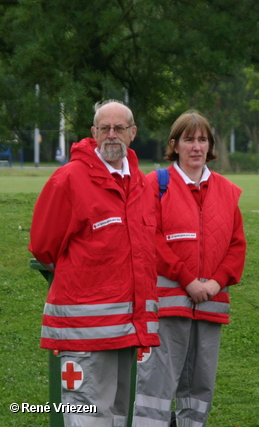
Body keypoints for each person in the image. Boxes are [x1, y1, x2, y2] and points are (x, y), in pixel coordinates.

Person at [29, 100, 160, 426]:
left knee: (117, 416)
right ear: (93, 133)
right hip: (84, 333)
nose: (112, 135)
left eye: (119, 128)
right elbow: (44, 247)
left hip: (127, 330)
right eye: (105, 128)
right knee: (88, 416)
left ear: (133, 133)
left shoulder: (141, 185)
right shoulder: (69, 180)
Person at [132, 111, 246, 427]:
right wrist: (187, 280)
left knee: (199, 390)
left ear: (209, 146)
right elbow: (149, 238)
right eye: (189, 139)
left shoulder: (227, 190)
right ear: (175, 144)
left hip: (210, 303)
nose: (196, 147)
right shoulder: (156, 184)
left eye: (202, 139)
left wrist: (214, 283)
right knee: (155, 387)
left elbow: (237, 246)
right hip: (168, 306)